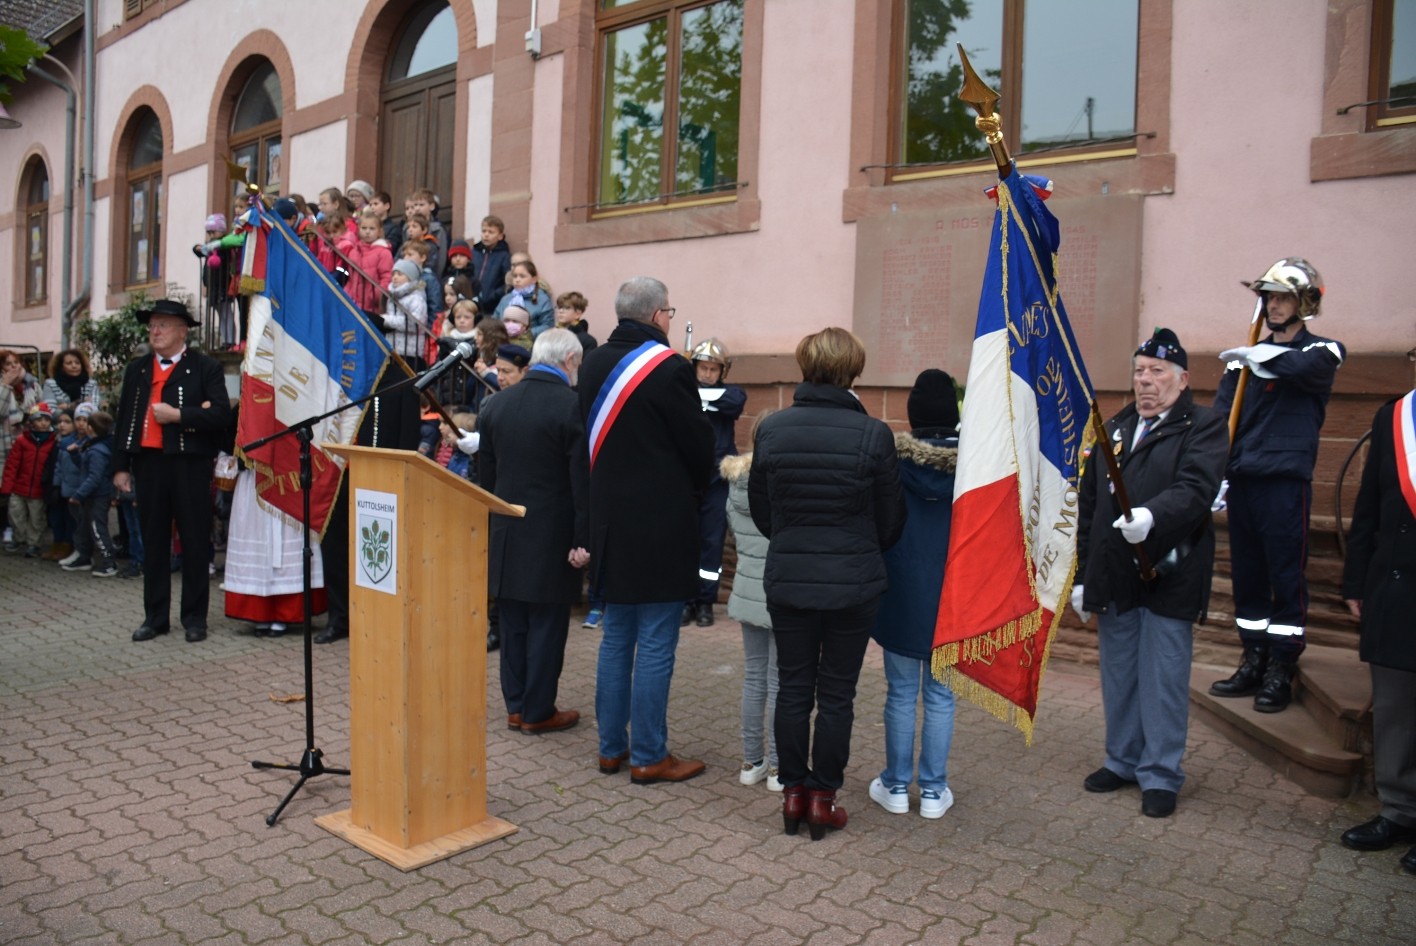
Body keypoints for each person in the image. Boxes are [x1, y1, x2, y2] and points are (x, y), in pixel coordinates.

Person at [748, 327, 906, 840]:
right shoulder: (874, 434)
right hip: (852, 583)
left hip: (791, 578)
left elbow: (763, 514)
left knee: (794, 687)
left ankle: (794, 793)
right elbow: (891, 522)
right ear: (853, 371)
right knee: (837, 693)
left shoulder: (771, 429)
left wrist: (797, 540)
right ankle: (821, 798)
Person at [1074, 329, 1228, 819]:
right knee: (1119, 673)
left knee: (1162, 675)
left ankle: (1160, 773)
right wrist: (1082, 576)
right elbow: (1091, 507)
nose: (1146, 381)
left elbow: (1196, 489)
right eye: (1140, 371)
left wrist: (1152, 516)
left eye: (1157, 372)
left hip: (1170, 572)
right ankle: (1122, 760)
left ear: (1182, 380)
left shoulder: (1202, 426)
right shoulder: (1114, 427)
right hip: (1118, 573)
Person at [578, 276, 716, 784]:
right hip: (660, 522)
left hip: (609, 521)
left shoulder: (591, 363)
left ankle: (611, 748)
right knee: (656, 641)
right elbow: (698, 445)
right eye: (670, 312)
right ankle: (650, 755)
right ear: (658, 315)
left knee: (616, 638)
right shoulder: (668, 368)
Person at [1210, 258, 1346, 713]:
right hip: (1245, 481)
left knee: (1285, 577)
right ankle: (1254, 656)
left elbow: (1302, 369)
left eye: (1283, 296)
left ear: (1304, 302)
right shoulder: (1242, 362)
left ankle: (1281, 666)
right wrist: (1216, 474)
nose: (1274, 304)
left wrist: (1259, 357)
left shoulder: (1323, 351)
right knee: (1248, 579)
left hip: (1284, 485)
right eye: (1269, 296)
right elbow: (1222, 422)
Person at [478, 328, 591, 735]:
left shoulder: (496, 405)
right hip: (552, 535)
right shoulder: (573, 407)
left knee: (512, 623)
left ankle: (516, 705)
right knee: (546, 624)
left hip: (506, 531)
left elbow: (484, 479)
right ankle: (538, 710)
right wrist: (584, 537)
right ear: (570, 361)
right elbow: (582, 482)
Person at [868, 369, 961, 821]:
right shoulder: (976, 467)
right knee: (942, 695)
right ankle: (933, 790)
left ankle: (895, 784)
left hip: (902, 593)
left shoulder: (892, 460)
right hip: (952, 596)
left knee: (902, 693)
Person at [112, 298, 233, 643]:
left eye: (163, 324)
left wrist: (179, 415)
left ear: (183, 331)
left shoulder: (204, 367)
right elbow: (124, 420)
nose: (155, 330)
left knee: (194, 539)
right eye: (152, 325)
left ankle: (194, 618)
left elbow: (221, 415)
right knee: (153, 541)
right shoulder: (137, 369)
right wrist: (120, 465)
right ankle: (155, 617)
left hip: (190, 463)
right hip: (148, 463)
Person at [1338, 390, 1416, 874]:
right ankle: (1399, 809)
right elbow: (1368, 502)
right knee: (1394, 707)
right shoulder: (1394, 416)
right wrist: (1355, 580)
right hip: (1394, 586)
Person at [721, 410, 781, 792]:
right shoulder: (782, 483)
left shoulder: (736, 483)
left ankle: (750, 761)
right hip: (779, 592)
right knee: (779, 681)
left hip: (746, 589)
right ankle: (778, 768)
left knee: (754, 677)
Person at [684, 338, 746, 627]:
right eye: (703, 368)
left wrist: (699, 396)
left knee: (712, 540)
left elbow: (734, 403)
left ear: (723, 371)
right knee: (686, 539)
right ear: (693, 367)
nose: (707, 374)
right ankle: (686, 600)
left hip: (717, 478)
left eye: (713, 369)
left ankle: (706, 601)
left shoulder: (731, 393)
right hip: (687, 475)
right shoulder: (682, 390)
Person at [2, 402, 58, 557]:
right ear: (32, 422)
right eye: (39, 419)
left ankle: (34, 543)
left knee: (36, 518)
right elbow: (12, 465)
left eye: (46, 420)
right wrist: (7, 487)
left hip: (39, 489)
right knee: (16, 515)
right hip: (19, 487)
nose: (43, 423)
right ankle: (18, 538)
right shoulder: (22, 440)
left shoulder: (53, 442)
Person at [1, 349, 41, 548]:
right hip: (4, 445)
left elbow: (40, 408)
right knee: (4, 489)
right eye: (8, 364)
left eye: (16, 363)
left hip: (26, 444)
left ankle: (20, 532)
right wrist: (6, 385)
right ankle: (7, 528)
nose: (13, 367)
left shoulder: (30, 386)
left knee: (20, 489)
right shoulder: (2, 386)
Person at [71, 410, 118, 577]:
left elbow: (94, 477)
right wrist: (74, 454)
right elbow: (85, 468)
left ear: (91, 428)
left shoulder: (97, 450)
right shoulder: (94, 446)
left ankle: (109, 562)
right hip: (94, 494)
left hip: (99, 495)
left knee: (98, 528)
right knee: (88, 526)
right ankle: (86, 557)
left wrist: (78, 494)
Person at [345, 209, 393, 316]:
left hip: (372, 307)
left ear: (380, 231)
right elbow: (351, 278)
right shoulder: (354, 252)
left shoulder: (384, 252)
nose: (367, 232)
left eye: (372, 228)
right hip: (354, 303)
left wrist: (375, 296)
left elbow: (386, 277)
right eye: (364, 228)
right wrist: (347, 294)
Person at [384, 258, 429, 370]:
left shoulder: (416, 298)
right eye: (393, 274)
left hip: (410, 353)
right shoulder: (392, 297)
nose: (395, 277)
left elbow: (414, 323)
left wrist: (386, 320)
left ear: (410, 277)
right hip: (393, 349)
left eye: (400, 274)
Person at [496, 260, 555, 339]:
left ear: (534, 279)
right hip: (505, 341)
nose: (517, 280)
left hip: (530, 343)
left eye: (522, 276)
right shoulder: (506, 299)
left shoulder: (542, 299)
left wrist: (525, 334)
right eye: (515, 276)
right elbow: (495, 320)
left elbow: (548, 326)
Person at [471, 215, 511, 317]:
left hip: (492, 307)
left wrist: (494, 295)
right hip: (472, 305)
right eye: (484, 231)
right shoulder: (474, 253)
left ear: (500, 236)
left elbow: (507, 281)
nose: (486, 235)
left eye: (491, 232)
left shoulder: (504, 256)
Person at [555, 291, 598, 355]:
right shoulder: (551, 336)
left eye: (567, 308)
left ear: (578, 313)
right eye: (559, 307)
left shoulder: (588, 341)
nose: (561, 311)